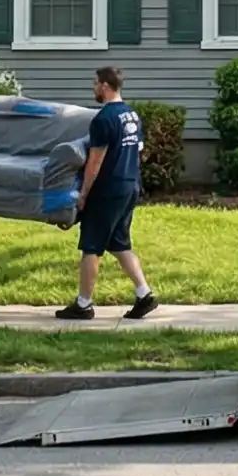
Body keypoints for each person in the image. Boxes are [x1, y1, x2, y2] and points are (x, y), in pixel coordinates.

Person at [58, 65, 158, 320]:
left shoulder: (103, 119)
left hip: (108, 189)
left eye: (95, 83)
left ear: (104, 85)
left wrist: (83, 194)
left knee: (91, 246)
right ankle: (144, 294)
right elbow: (138, 152)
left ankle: (83, 304)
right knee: (119, 242)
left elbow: (95, 162)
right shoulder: (132, 116)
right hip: (130, 186)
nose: (93, 88)